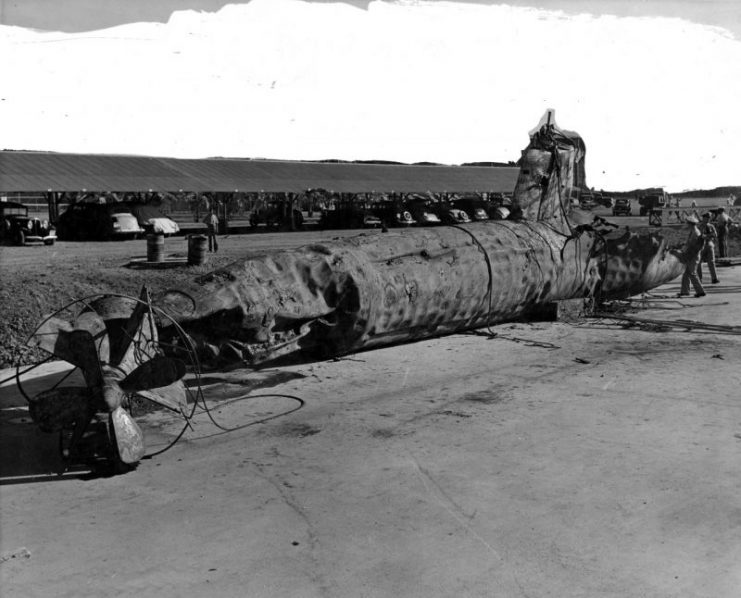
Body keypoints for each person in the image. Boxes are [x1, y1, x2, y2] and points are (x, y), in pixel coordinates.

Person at [678, 215, 706, 298]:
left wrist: (685, 249)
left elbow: (694, 246)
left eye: (687, 223)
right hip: (691, 255)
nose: (686, 225)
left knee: (692, 273)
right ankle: (684, 291)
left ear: (691, 224)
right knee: (686, 272)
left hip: (693, 255)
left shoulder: (695, 233)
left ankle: (700, 291)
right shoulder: (693, 232)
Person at [697, 212, 719, 284]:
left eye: (708, 218)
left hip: (709, 244)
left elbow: (715, 234)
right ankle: (699, 279)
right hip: (701, 245)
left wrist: (707, 236)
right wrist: (709, 235)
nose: (707, 219)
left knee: (711, 262)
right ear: (703, 218)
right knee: (699, 263)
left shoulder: (711, 226)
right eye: (706, 218)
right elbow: (700, 236)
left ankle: (714, 278)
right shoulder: (700, 226)